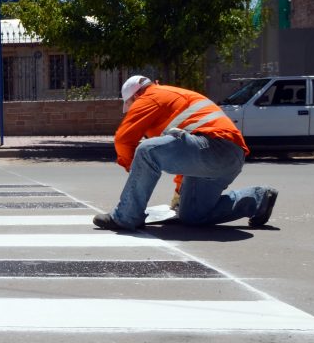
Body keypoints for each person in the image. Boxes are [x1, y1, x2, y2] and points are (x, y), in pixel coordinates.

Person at [94, 75, 278, 231]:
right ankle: (258, 199)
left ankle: (126, 216)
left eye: (130, 106)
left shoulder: (150, 97)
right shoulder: (171, 98)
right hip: (229, 156)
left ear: (135, 97)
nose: (131, 111)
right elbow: (185, 152)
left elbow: (124, 139)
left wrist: (132, 166)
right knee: (192, 215)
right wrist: (179, 192)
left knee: (146, 150)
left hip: (215, 147)